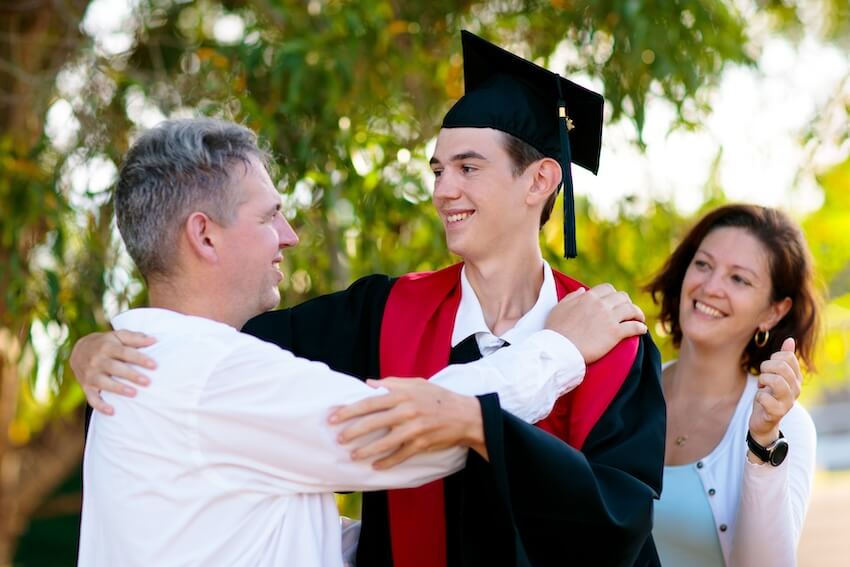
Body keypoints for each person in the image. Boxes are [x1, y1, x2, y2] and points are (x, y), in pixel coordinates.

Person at [73, 32, 666, 566]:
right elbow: (196, 343)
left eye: (467, 167)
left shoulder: (609, 338)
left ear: (539, 181)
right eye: (437, 169)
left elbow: (620, 523)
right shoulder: (381, 314)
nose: (442, 190)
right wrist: (98, 346)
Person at [646, 204, 819, 566]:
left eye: (739, 279)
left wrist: (763, 443)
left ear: (773, 312)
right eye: (703, 264)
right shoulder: (623, 388)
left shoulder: (787, 427)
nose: (710, 287)